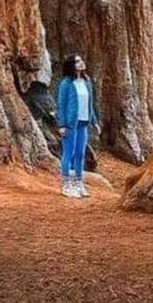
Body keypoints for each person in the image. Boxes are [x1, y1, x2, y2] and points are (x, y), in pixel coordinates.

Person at [55, 53, 99, 198]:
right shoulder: (66, 83)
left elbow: (90, 104)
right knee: (69, 153)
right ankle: (66, 185)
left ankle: (79, 183)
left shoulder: (87, 81)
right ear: (71, 66)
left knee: (80, 154)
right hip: (70, 123)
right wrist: (61, 124)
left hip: (83, 123)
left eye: (81, 60)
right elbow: (61, 105)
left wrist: (94, 122)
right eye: (77, 61)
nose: (81, 63)